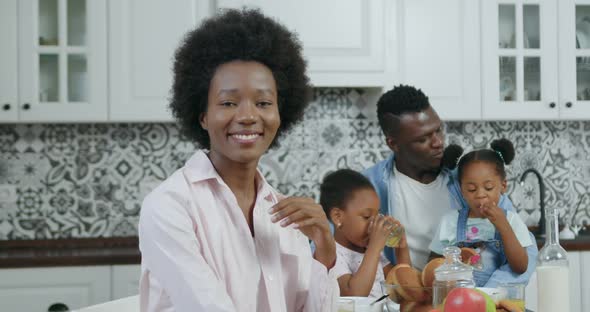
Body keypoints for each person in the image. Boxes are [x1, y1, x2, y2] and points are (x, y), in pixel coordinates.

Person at [138, 9, 338, 312]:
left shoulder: (288, 216)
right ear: (203, 116)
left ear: (280, 114)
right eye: (228, 102)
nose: (247, 116)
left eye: (263, 103)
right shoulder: (169, 207)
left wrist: (324, 247)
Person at [362, 85, 537, 286]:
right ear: (393, 143)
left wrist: (484, 299)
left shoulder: (471, 183)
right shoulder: (370, 187)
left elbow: (525, 256)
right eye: (423, 139)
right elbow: (344, 253)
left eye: (438, 130)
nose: (438, 143)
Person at [430, 139, 534, 287]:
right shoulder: (450, 221)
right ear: (461, 190)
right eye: (472, 189)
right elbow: (433, 264)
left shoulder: (511, 220)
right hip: (460, 300)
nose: (480, 195)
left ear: (503, 186)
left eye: (489, 187)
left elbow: (520, 267)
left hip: (497, 301)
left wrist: (503, 226)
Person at [319, 169, 410, 298]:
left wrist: (402, 250)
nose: (373, 224)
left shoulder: (370, 251)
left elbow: (404, 289)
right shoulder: (331, 255)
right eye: (367, 217)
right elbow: (354, 295)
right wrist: (374, 248)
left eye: (377, 215)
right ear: (338, 217)